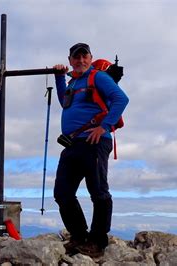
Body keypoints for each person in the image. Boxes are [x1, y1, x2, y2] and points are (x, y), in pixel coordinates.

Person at [53, 43, 129, 257]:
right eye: (76, 57)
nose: (81, 60)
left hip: (95, 142)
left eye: (84, 56)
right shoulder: (73, 82)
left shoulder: (98, 77)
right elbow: (64, 102)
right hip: (73, 143)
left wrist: (104, 126)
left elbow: (121, 99)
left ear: (90, 58)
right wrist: (59, 77)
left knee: (98, 192)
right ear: (70, 60)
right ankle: (79, 237)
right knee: (63, 193)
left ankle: (97, 242)